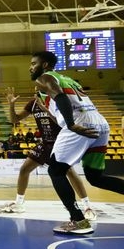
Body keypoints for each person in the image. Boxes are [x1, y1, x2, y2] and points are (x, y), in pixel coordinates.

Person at [30, 51, 124, 234]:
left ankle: (78, 220)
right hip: (100, 123)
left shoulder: (44, 78)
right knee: (95, 178)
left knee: (55, 171)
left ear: (45, 65)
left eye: (34, 63)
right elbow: (62, 106)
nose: (30, 67)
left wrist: (71, 124)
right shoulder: (68, 80)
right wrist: (47, 109)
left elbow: (61, 98)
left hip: (80, 123)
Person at [0, 86, 95, 219]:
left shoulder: (58, 102)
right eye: (36, 90)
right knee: (24, 169)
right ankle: (19, 203)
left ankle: (87, 207)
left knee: (70, 172)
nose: (37, 92)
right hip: (45, 143)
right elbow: (14, 119)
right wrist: (11, 105)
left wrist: (46, 109)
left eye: (40, 90)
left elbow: (65, 123)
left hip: (61, 141)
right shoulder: (33, 103)